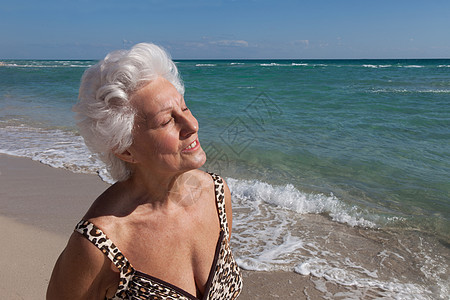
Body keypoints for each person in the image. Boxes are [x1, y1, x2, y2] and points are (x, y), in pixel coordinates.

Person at [47, 43, 243, 300]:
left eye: (184, 108)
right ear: (125, 149)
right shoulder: (100, 245)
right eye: (166, 121)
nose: (192, 124)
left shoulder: (217, 195)